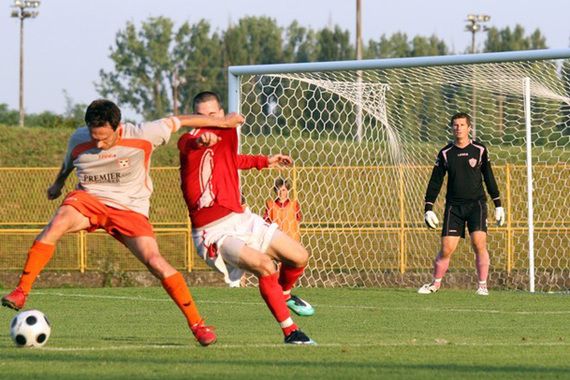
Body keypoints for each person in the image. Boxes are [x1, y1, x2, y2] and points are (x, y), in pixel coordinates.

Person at [1, 99, 244, 346]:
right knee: (57, 223)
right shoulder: (79, 138)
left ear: (119, 127)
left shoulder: (144, 133)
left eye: (104, 138)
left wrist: (223, 122)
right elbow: (69, 161)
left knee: (156, 262)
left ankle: (198, 325)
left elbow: (182, 120)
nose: (98, 143)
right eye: (94, 137)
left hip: (130, 209)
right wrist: (58, 184)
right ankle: (21, 291)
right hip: (90, 200)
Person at [178, 91, 316, 345]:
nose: (207, 120)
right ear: (193, 118)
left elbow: (232, 159)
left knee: (299, 257)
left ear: (219, 113)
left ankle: (284, 294)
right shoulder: (189, 141)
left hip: (242, 217)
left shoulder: (226, 134)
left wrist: (264, 161)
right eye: (200, 116)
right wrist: (205, 137)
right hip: (213, 231)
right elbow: (195, 144)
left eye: (212, 115)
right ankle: (291, 332)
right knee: (266, 266)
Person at [418, 112, 505, 296]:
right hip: (453, 207)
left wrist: (498, 204)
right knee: (447, 248)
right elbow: (435, 181)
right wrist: (428, 208)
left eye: (462, 125)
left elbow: (489, 177)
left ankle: (482, 286)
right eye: (455, 125)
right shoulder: (445, 153)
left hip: (476, 205)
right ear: (452, 128)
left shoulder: (480, 150)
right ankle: (435, 284)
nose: (459, 128)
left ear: (469, 128)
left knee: (479, 243)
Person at [263, 177, 302, 242]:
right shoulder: (270, 205)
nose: (281, 193)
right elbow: (266, 222)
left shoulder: (294, 205)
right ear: (275, 190)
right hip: (277, 241)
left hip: (292, 241)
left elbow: (298, 221)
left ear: (287, 190)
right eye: (279, 190)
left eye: (283, 190)